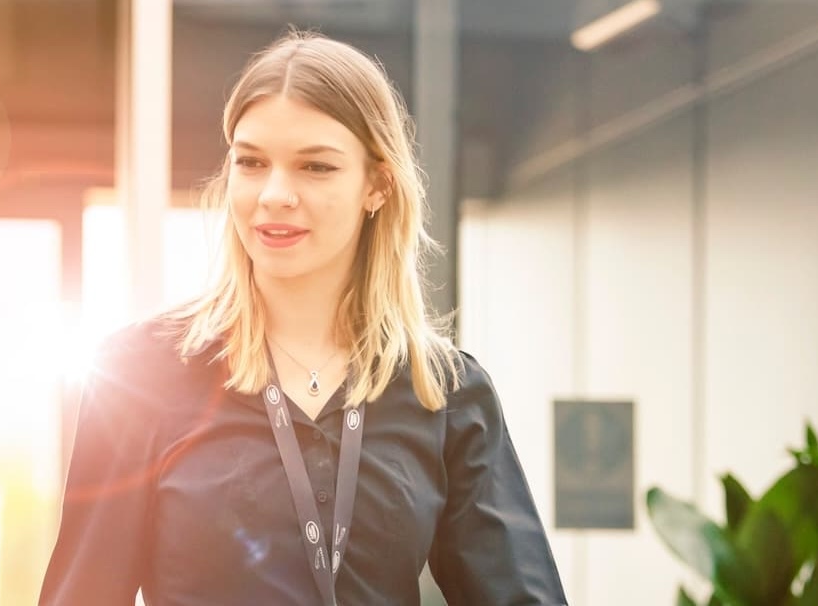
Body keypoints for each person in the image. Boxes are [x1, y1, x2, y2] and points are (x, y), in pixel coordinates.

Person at [40, 31, 567, 605]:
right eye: (251, 162)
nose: (274, 194)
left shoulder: (444, 393)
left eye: (315, 167)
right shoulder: (139, 374)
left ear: (378, 184)